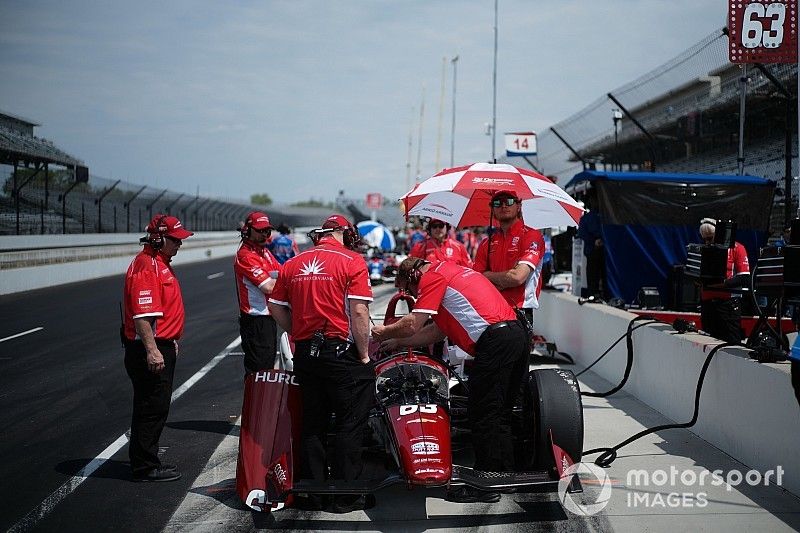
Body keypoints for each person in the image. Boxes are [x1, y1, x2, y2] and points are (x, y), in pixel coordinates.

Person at [371, 258, 530, 504]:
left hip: (495, 341)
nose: (412, 294)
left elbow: (412, 323)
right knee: (501, 411)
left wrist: (380, 332)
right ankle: (503, 475)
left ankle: (485, 484)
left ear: (413, 276)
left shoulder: (431, 277)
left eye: (408, 289)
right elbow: (435, 331)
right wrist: (399, 342)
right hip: (515, 334)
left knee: (482, 411)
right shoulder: (452, 271)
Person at [267, 214, 374, 513]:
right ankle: (345, 495)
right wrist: (364, 355)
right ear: (341, 233)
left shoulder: (292, 264)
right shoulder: (351, 261)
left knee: (313, 422)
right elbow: (360, 312)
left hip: (306, 353)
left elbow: (274, 304)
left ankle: (313, 492)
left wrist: (294, 331)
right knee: (349, 421)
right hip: (338, 351)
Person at [122, 214, 193, 482]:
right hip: (148, 348)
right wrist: (153, 350)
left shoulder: (159, 263)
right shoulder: (147, 266)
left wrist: (171, 340)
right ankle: (145, 466)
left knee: (155, 406)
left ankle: (146, 460)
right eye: (175, 240)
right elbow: (142, 316)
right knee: (152, 407)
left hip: (161, 344)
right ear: (158, 238)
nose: (179, 245)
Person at [473, 190, 546, 329]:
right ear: (492, 209)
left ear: (518, 206)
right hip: (490, 310)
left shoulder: (532, 236)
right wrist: (502, 279)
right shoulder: (486, 243)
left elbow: (518, 277)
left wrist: (487, 275)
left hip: (519, 312)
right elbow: (476, 280)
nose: (503, 206)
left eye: (509, 201)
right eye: (498, 202)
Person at [234, 211, 282, 373]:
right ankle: (253, 399)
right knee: (258, 373)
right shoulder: (246, 255)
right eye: (260, 230)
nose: (265, 234)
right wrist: (282, 283)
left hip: (268, 318)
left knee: (267, 367)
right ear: (247, 230)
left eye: (267, 231)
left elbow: (283, 274)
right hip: (255, 320)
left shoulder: (265, 252)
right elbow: (268, 287)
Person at [698, 217, 749, 343]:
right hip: (708, 303)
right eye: (704, 239)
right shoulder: (703, 250)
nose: (707, 242)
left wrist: (722, 284)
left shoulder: (737, 248)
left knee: (731, 342)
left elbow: (744, 277)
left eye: (710, 238)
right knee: (707, 342)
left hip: (728, 303)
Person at [576, 188, 606, 299]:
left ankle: (601, 294)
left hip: (604, 252)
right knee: (592, 277)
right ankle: (592, 294)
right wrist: (594, 241)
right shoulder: (586, 218)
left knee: (603, 277)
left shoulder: (605, 217)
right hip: (592, 251)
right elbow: (582, 233)